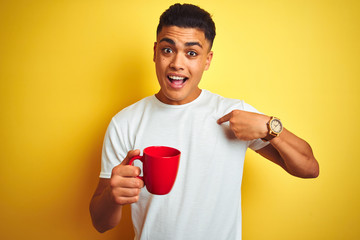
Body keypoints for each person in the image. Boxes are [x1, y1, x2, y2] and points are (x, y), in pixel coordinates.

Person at [89, 3, 319, 240]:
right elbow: (100, 223)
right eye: (168, 50)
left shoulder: (232, 114)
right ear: (155, 52)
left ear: (207, 60)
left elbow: (310, 168)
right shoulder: (125, 122)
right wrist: (111, 196)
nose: (177, 63)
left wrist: (269, 126)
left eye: (191, 53)